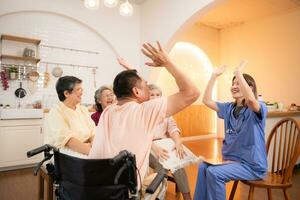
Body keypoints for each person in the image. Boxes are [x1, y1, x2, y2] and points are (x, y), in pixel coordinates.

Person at [89, 42, 200, 193]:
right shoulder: (145, 111)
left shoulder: (108, 112)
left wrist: (130, 69)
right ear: (136, 92)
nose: (149, 86)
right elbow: (192, 93)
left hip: (98, 185)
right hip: (125, 190)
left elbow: (126, 86)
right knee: (160, 184)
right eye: (145, 85)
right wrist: (168, 63)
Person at [193, 62, 268, 200]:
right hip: (232, 161)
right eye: (233, 83)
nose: (234, 86)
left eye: (238, 83)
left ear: (249, 87)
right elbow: (206, 100)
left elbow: (251, 99)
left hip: (252, 166)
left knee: (215, 173)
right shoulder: (228, 108)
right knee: (203, 167)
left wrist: (238, 73)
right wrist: (213, 76)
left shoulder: (258, 107)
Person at [148, 84, 192, 200]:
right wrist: (155, 148)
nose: (155, 97)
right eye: (152, 95)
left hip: (164, 143)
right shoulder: (143, 113)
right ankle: (159, 196)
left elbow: (173, 128)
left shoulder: (166, 112)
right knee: (161, 166)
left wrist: (178, 142)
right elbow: (141, 135)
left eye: (158, 95)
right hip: (148, 147)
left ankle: (187, 197)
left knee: (178, 163)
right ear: (147, 97)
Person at [44, 76, 95, 156]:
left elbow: (93, 132)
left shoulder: (83, 109)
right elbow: (68, 140)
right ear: (66, 93)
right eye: (78, 89)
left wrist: (94, 146)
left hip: (86, 149)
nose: (82, 92)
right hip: (66, 154)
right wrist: (93, 152)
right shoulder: (57, 111)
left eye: (81, 89)